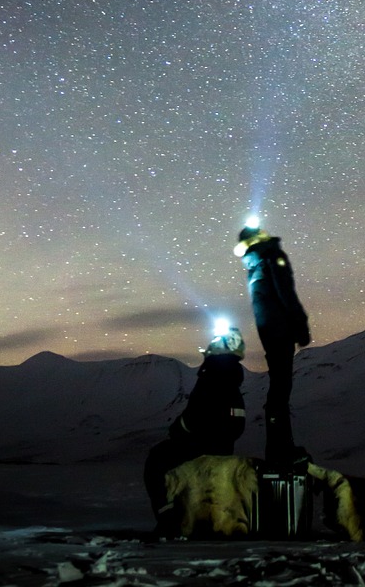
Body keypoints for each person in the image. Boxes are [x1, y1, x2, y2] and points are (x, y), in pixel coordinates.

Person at [144, 325, 246, 535]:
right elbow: (235, 424)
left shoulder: (213, 378)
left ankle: (169, 521)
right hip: (219, 449)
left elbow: (196, 416)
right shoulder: (230, 381)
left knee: (157, 461)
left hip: (199, 447)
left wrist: (180, 429)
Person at [234, 225, 311, 467]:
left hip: (268, 331)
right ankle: (281, 449)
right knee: (281, 391)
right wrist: (301, 326)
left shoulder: (253, 265)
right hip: (281, 330)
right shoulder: (270, 257)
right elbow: (285, 292)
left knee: (277, 391)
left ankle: (277, 448)